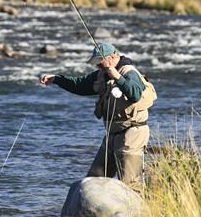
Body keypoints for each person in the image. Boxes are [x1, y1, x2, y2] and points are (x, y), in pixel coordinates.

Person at [40, 42, 156, 186]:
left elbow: (135, 94)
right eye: (97, 64)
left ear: (113, 57)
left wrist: (114, 74)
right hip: (112, 135)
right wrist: (57, 79)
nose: (98, 67)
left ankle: (138, 208)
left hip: (133, 133)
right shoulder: (102, 74)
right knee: (93, 181)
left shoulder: (129, 72)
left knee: (130, 183)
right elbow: (80, 85)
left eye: (100, 63)